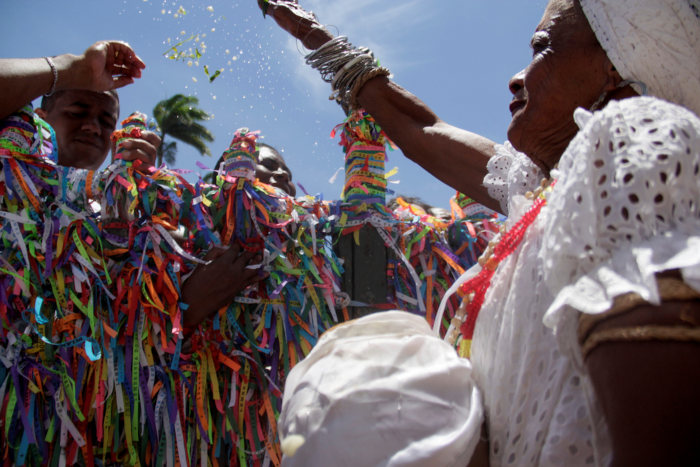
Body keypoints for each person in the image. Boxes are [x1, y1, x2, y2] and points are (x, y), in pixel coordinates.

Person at [261, 0, 700, 465]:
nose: (517, 76)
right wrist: (315, 36)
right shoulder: (538, 187)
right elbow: (420, 128)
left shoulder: (629, 145)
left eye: (542, 48)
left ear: (613, 68)